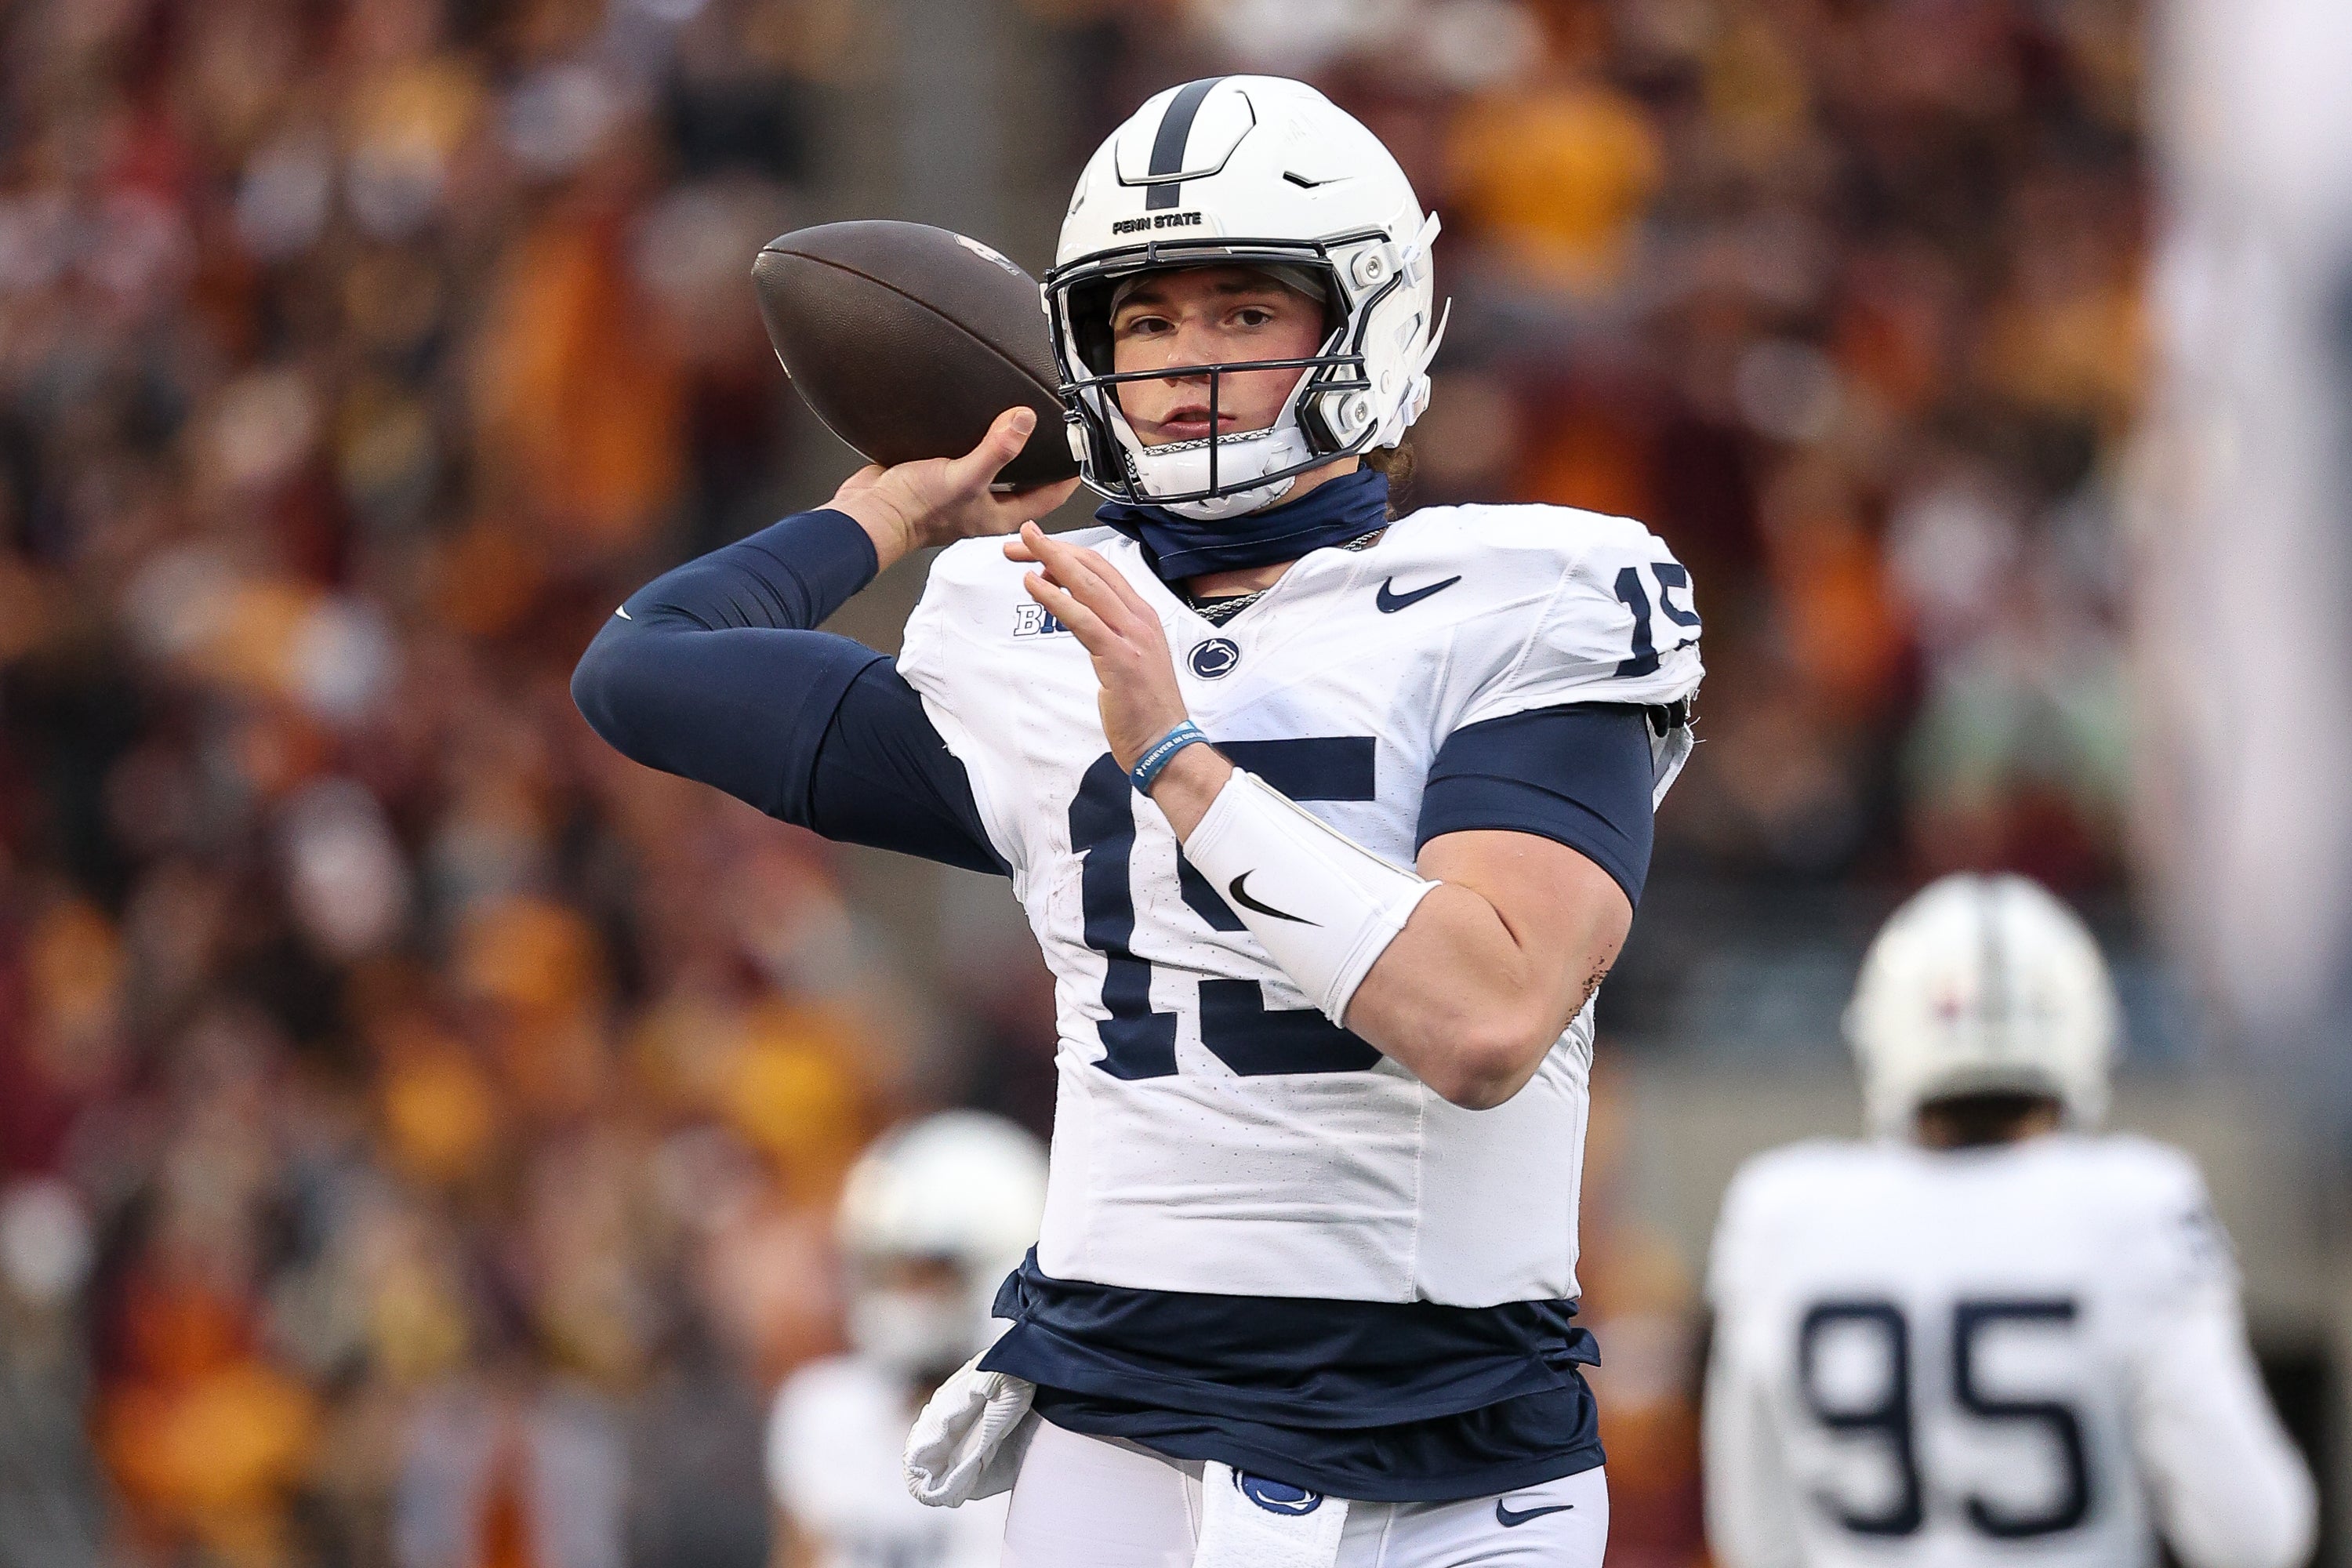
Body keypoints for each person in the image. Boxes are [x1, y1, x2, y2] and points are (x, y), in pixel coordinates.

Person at [574, 74, 1701, 1566]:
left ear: (1369, 317)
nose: (1188, 366)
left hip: (1453, 1444)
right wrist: (890, 511)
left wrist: (1179, 760)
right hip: (1124, 1416)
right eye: (1146, 321)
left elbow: (1485, 1017)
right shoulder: (1030, 617)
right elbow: (644, 667)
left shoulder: (1525, 593)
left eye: (1245, 313)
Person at [1702, 874, 2316, 1568]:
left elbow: (1753, 1536)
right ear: (2083, 1025)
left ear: (1881, 1029)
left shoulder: (1782, 1211)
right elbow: (2254, 1532)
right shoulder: (2137, 1205)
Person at [768, 1112, 1048, 1568]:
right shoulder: (825, 1410)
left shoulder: (1050, 1434)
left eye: (925, 1271)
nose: (899, 1295)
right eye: (885, 1268)